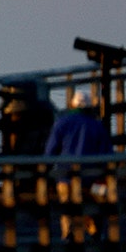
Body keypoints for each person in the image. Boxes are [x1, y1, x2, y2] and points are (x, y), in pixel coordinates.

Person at [45, 90, 112, 241]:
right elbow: (107, 153)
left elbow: (50, 151)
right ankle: (94, 233)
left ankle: (68, 234)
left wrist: (47, 171)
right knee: (93, 206)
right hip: (91, 177)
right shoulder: (97, 125)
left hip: (65, 175)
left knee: (66, 207)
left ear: (72, 105)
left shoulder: (62, 123)